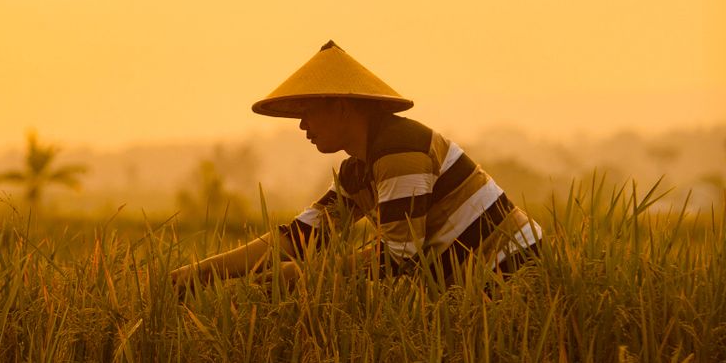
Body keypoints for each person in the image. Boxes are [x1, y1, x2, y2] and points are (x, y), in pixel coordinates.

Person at [171, 40, 542, 291]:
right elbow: (300, 238)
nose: (302, 125)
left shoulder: (400, 151)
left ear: (343, 108)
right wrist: (201, 273)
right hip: (473, 285)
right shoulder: (359, 169)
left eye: (308, 112)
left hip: (518, 275)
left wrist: (297, 276)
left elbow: (398, 260)